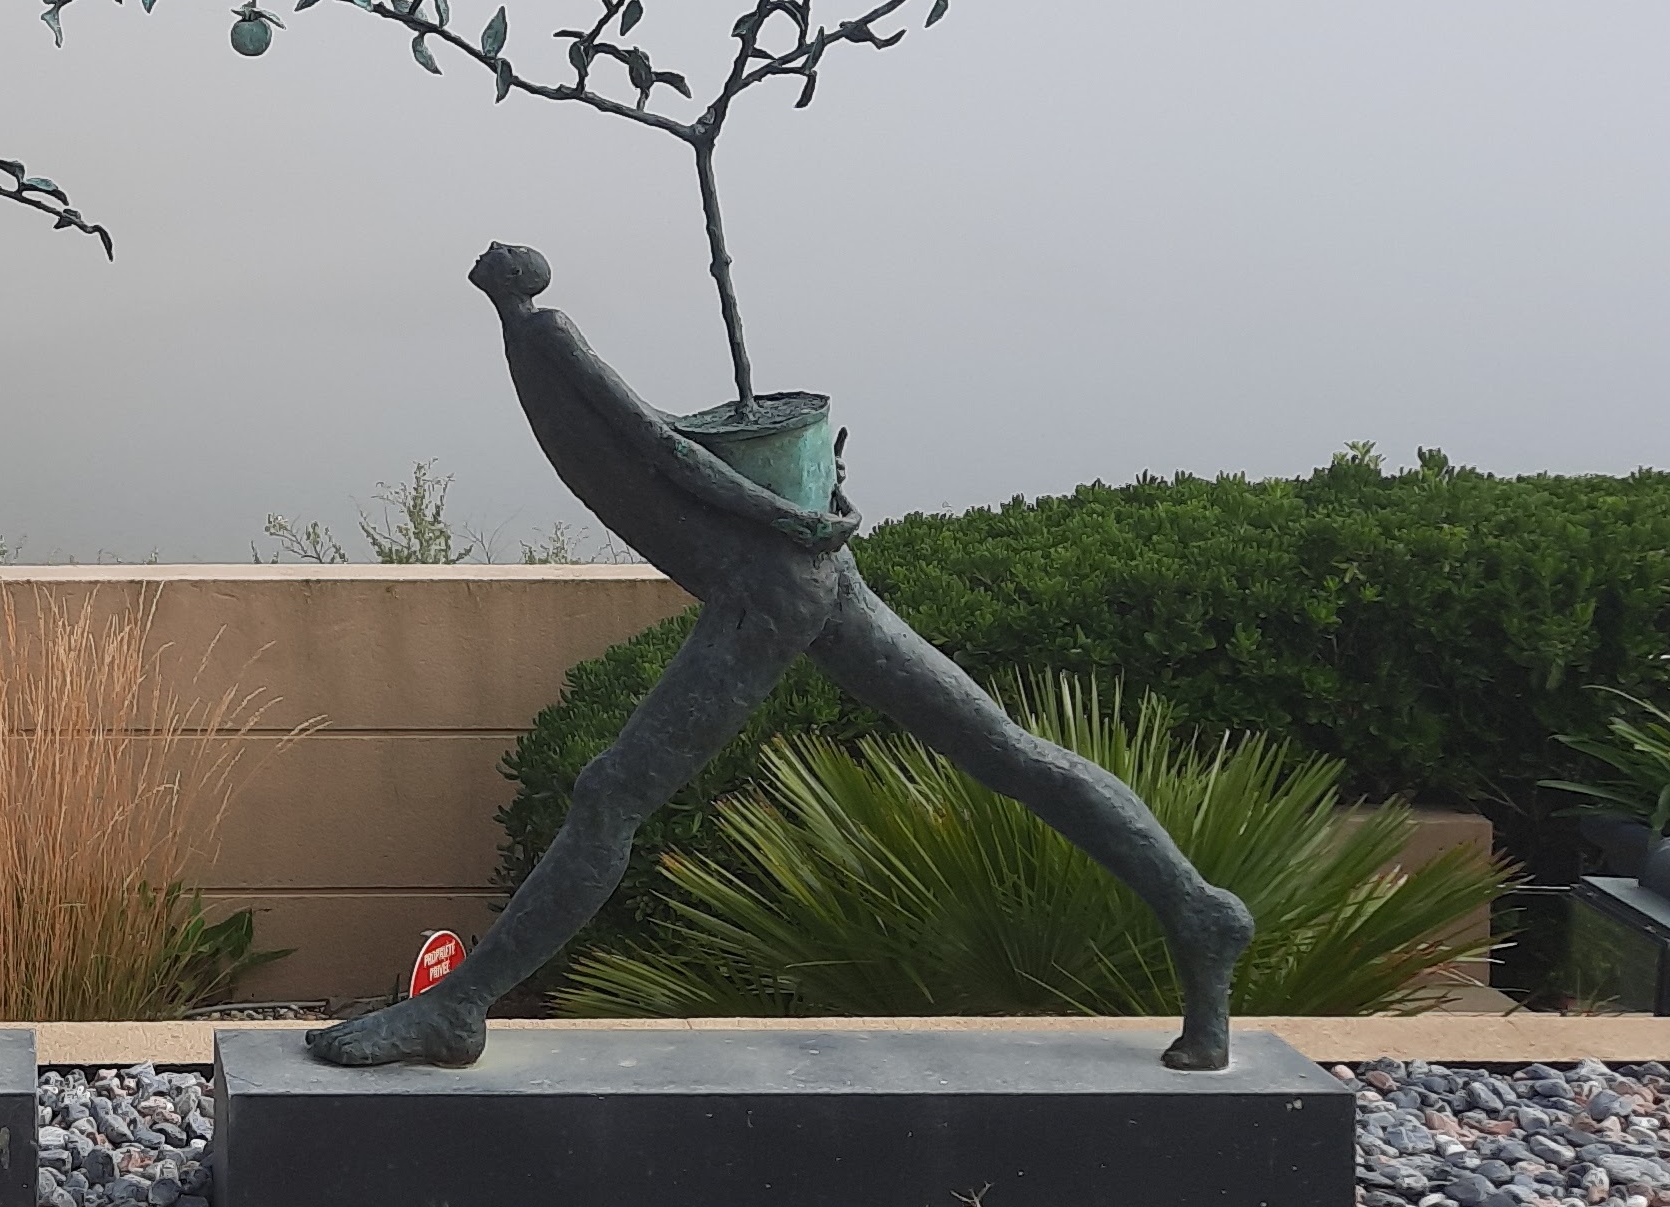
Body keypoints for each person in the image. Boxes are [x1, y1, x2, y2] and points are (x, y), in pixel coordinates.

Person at [306, 242, 1253, 1072]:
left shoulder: (548, 337)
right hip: (806, 570)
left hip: (772, 586)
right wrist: (814, 509)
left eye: (500, 260)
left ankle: (460, 1008)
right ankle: (1198, 909)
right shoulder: (537, 343)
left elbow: (658, 444)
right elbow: (665, 442)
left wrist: (795, 517)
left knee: (611, 794)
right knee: (1004, 750)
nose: (490, 259)